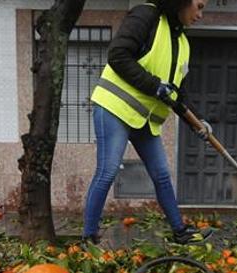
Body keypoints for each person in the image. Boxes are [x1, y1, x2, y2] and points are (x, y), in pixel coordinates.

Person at [83, 0, 213, 245]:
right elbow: (118, 55)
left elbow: (178, 93)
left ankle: (180, 232)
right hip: (114, 108)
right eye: (199, 6)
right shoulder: (147, 15)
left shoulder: (183, 43)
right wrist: (155, 86)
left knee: (162, 175)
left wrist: (199, 122)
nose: (200, 15)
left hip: (144, 121)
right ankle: (88, 237)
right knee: (107, 171)